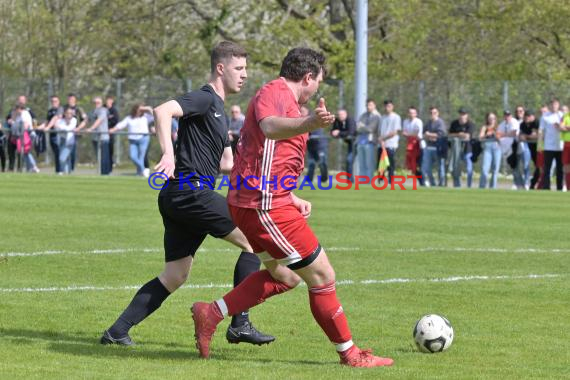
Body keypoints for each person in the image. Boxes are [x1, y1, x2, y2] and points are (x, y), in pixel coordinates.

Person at [190, 47, 394, 368]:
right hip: (263, 205)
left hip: (261, 200)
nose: (317, 91)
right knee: (323, 274)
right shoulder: (275, 91)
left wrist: (292, 195)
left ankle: (211, 312)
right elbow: (269, 127)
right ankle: (351, 355)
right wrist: (310, 122)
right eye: (318, 83)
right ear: (308, 77)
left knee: (285, 276)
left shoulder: (291, 104)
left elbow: (267, 155)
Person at [100, 41, 274, 347]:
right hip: (190, 192)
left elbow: (226, 164)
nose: (245, 75)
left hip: (180, 196)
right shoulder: (206, 98)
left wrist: (252, 171)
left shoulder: (219, 110)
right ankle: (240, 323)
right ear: (221, 68)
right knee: (253, 241)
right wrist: (168, 154)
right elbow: (163, 110)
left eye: (246, 68)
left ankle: (116, 332)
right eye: (239, 68)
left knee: (175, 274)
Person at [109, 103, 153, 176]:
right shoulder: (129, 118)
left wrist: (148, 109)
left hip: (143, 138)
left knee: (141, 157)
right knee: (133, 157)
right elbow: (121, 125)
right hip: (133, 140)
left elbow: (155, 116)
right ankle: (142, 170)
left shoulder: (145, 117)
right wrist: (113, 129)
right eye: (139, 109)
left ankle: (139, 173)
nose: (140, 111)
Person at [448, 107, 475, 188]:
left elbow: (467, 136)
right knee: (455, 167)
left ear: (467, 115)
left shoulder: (470, 124)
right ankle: (457, 185)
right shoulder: (454, 123)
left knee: (469, 167)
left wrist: (458, 135)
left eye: (464, 114)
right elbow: (449, 134)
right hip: (456, 149)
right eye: (461, 114)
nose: (462, 116)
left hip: (467, 149)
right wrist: (459, 134)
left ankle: (469, 185)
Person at [540, 99, 564, 190]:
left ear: (558, 105)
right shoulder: (545, 116)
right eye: (552, 104)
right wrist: (540, 144)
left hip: (560, 147)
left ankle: (559, 188)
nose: (554, 106)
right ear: (550, 106)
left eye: (556, 104)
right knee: (547, 169)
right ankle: (546, 187)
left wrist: (560, 127)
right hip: (548, 147)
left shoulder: (562, 115)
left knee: (560, 169)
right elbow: (541, 130)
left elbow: (565, 128)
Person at [84, 97, 112, 175]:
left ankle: (106, 173)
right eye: (95, 102)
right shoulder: (91, 112)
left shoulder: (103, 110)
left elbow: (99, 121)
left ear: (101, 103)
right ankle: (102, 173)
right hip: (95, 138)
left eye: (98, 102)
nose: (96, 104)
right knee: (98, 157)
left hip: (103, 138)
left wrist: (91, 129)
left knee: (104, 157)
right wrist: (77, 129)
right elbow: (86, 121)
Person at [356, 99, 381, 179]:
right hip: (360, 141)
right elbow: (357, 127)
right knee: (361, 164)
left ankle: (369, 181)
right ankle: (362, 182)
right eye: (367, 105)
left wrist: (362, 126)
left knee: (369, 164)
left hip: (370, 142)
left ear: (374, 105)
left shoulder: (377, 116)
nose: (368, 107)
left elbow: (371, 129)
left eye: (370, 105)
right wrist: (364, 127)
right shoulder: (363, 115)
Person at [39, 96, 65, 174]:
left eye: (55, 101)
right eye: (52, 101)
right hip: (52, 134)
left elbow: (56, 118)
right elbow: (47, 121)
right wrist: (39, 127)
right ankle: (58, 171)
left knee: (59, 152)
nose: (54, 103)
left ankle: (61, 170)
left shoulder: (60, 109)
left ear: (59, 101)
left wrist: (48, 127)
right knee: (56, 153)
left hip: (59, 134)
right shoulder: (50, 111)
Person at [498, 110, 523, 189]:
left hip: (516, 147)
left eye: (508, 115)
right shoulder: (502, 124)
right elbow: (498, 134)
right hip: (507, 148)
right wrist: (506, 135)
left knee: (517, 167)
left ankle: (520, 185)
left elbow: (514, 133)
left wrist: (504, 135)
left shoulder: (514, 122)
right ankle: (518, 184)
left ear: (511, 116)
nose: (507, 117)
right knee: (514, 167)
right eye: (506, 115)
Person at [422, 107, 446, 187]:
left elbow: (441, 134)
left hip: (438, 148)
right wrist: (428, 136)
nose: (433, 114)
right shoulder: (428, 123)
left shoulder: (440, 122)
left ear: (437, 113)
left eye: (434, 113)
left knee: (440, 167)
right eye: (431, 113)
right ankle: (432, 183)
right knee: (427, 168)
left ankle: (441, 184)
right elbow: (424, 133)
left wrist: (430, 134)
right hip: (429, 147)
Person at [378, 100, 401, 184]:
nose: (387, 108)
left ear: (392, 107)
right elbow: (380, 131)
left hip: (391, 145)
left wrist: (383, 138)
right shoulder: (382, 117)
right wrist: (380, 140)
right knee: (381, 165)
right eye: (386, 106)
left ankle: (391, 182)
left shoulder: (396, 117)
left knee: (390, 165)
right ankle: (380, 182)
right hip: (381, 145)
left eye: (389, 106)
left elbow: (395, 132)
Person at [12, 104, 39, 173]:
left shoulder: (24, 114)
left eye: (16, 109)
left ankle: (33, 166)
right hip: (22, 135)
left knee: (26, 151)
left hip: (28, 135)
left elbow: (26, 125)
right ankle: (29, 168)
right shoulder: (19, 115)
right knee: (23, 152)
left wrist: (20, 130)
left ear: (19, 109)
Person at [64, 93, 87, 172]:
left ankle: (71, 168)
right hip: (65, 134)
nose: (70, 101)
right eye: (69, 99)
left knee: (72, 151)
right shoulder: (64, 108)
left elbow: (85, 120)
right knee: (64, 151)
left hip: (75, 134)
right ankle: (65, 168)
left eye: (72, 99)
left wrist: (78, 128)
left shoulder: (78, 109)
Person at [330, 108, 356, 179]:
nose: (340, 116)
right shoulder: (337, 121)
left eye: (341, 114)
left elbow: (351, 132)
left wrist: (339, 133)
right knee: (348, 161)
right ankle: (349, 180)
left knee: (349, 160)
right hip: (349, 143)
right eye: (338, 115)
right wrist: (336, 133)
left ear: (346, 114)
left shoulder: (350, 120)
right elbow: (332, 132)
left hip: (355, 144)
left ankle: (350, 180)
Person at [306, 105, 329, 183]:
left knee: (322, 163)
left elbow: (314, 133)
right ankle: (309, 182)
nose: (302, 113)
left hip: (320, 146)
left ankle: (324, 179)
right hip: (311, 147)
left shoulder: (313, 119)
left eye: (303, 111)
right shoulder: (301, 120)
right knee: (311, 163)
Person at [479, 112, 502, 189]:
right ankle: (482, 186)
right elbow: (480, 137)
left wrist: (496, 134)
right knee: (485, 168)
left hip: (496, 148)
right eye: (490, 118)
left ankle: (493, 187)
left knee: (495, 169)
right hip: (487, 147)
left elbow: (501, 138)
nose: (492, 120)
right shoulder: (485, 127)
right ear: (487, 119)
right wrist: (486, 135)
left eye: (493, 118)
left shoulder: (498, 127)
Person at [402, 106, 424, 184]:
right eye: (410, 113)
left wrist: (409, 134)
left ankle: (423, 182)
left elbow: (417, 134)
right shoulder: (405, 121)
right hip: (410, 146)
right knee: (412, 166)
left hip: (418, 146)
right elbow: (404, 133)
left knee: (418, 166)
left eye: (413, 113)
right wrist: (410, 134)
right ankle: (421, 181)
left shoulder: (418, 121)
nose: (411, 114)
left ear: (416, 114)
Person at [519, 110, 539, 189]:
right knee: (537, 166)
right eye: (525, 116)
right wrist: (526, 136)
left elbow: (536, 136)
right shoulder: (522, 124)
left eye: (528, 116)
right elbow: (520, 136)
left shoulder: (537, 122)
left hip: (539, 147)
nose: (526, 117)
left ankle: (533, 183)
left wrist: (526, 137)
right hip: (530, 147)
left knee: (540, 166)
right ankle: (533, 184)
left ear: (533, 116)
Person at [55, 107, 77, 174]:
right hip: (61, 141)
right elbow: (57, 129)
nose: (69, 114)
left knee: (62, 158)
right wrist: (60, 127)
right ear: (64, 113)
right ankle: (68, 174)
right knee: (66, 159)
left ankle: (61, 172)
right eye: (67, 113)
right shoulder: (60, 121)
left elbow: (69, 129)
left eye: (71, 113)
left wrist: (61, 127)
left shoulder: (74, 120)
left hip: (69, 143)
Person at [105, 96, 120, 170]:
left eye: (109, 100)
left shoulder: (114, 110)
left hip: (110, 133)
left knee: (110, 150)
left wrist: (111, 128)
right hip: (103, 133)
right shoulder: (104, 109)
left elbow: (116, 120)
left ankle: (110, 167)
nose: (107, 102)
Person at [561, 108, 570, 189]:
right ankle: (568, 187)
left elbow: (565, 127)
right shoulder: (565, 116)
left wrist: (567, 127)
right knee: (566, 166)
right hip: (567, 144)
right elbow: (561, 127)